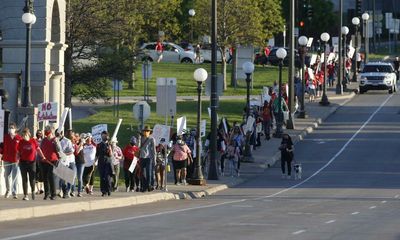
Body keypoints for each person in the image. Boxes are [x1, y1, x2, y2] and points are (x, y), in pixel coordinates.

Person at [17, 128, 46, 201]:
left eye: (26, 135)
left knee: (32, 179)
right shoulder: (21, 142)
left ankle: (33, 191)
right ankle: (25, 195)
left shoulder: (33, 141)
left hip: (32, 162)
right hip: (23, 162)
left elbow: (38, 149)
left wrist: (43, 156)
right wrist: (17, 159)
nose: (24, 136)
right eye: (23, 135)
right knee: (24, 179)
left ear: (28, 134)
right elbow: (18, 152)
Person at [1, 123, 22, 199]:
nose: (11, 129)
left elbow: (21, 149)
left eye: (12, 128)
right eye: (10, 128)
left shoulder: (19, 138)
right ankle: (8, 190)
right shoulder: (5, 137)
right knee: (6, 175)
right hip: (6, 159)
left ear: (15, 129)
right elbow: (1, 147)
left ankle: (14, 192)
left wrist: (20, 156)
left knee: (14, 177)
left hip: (15, 160)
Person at [40, 125, 59, 200]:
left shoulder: (55, 140)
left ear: (51, 131)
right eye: (45, 129)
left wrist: (56, 143)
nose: (46, 131)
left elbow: (58, 150)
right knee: (45, 177)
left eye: (47, 130)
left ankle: (53, 194)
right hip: (44, 161)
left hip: (53, 161)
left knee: (50, 176)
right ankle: (46, 194)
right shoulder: (44, 140)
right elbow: (41, 149)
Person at [58, 129, 76, 198]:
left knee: (71, 177)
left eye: (71, 133)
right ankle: (62, 191)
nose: (69, 134)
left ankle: (68, 191)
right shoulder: (57, 140)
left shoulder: (71, 141)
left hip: (71, 161)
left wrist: (63, 154)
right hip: (62, 161)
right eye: (68, 133)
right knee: (62, 177)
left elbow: (72, 151)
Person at [139, 126, 156, 192]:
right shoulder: (141, 138)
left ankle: (149, 185)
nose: (146, 132)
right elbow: (138, 147)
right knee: (142, 173)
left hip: (149, 158)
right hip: (142, 157)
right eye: (145, 131)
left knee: (149, 172)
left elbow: (154, 150)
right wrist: (139, 138)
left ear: (149, 132)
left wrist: (154, 159)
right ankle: (144, 186)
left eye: (147, 131)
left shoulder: (152, 139)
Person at [96, 130, 113, 196]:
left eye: (105, 135)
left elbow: (111, 154)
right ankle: (103, 191)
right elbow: (97, 155)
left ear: (107, 136)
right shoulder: (99, 145)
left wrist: (110, 148)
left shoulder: (109, 144)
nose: (104, 136)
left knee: (107, 177)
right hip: (101, 162)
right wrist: (95, 162)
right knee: (102, 177)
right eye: (103, 135)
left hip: (108, 162)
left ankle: (108, 189)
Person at [73, 133, 85, 197]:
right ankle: (73, 191)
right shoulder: (73, 144)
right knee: (74, 177)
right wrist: (80, 144)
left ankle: (79, 192)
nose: (76, 137)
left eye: (77, 136)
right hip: (74, 162)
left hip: (81, 162)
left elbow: (79, 150)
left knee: (79, 177)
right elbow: (76, 152)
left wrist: (81, 143)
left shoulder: (82, 144)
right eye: (75, 136)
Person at [34, 130, 44, 195]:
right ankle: (37, 189)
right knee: (36, 175)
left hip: (42, 160)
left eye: (40, 133)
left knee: (42, 174)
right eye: (38, 133)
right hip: (35, 160)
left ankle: (41, 188)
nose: (39, 134)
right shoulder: (34, 141)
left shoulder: (43, 141)